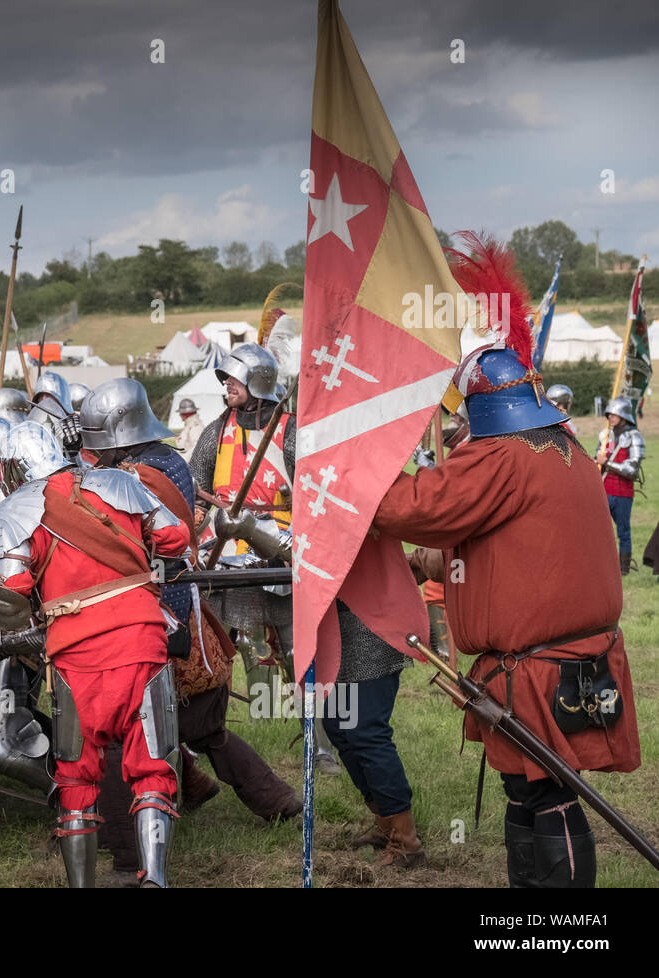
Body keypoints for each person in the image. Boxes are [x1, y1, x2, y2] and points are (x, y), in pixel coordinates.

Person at [376, 341, 641, 887]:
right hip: (570, 655)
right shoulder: (565, 447)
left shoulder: (504, 455)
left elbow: (416, 508)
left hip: (541, 666)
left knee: (547, 793)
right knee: (529, 787)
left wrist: (350, 470)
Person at [80, 380, 299, 837]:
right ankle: (210, 788)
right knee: (185, 725)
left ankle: (130, 825)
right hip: (175, 605)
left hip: (164, 610)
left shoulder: (139, 474)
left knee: (157, 722)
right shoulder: (166, 459)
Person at [0, 422, 189, 888]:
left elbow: (10, 591)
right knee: (154, 763)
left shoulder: (18, 509)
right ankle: (154, 877)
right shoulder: (120, 481)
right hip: (142, 638)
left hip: (76, 655)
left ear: (13, 469)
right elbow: (175, 537)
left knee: (77, 776)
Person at [188, 343, 341, 775]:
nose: (226, 385)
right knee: (211, 649)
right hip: (224, 547)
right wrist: (198, 521)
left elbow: (318, 489)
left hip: (278, 544)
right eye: (226, 379)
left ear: (258, 382)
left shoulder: (292, 429)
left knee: (296, 651)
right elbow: (197, 480)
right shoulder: (217, 429)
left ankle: (320, 744)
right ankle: (196, 741)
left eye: (233, 378)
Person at [594, 396, 644, 575]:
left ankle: (624, 569)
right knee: (598, 530)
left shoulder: (635, 437)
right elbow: (597, 461)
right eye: (609, 414)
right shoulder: (605, 435)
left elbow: (632, 469)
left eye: (614, 414)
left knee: (623, 532)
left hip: (623, 493)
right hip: (604, 490)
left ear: (623, 415)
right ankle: (601, 566)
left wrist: (607, 463)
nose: (611, 418)